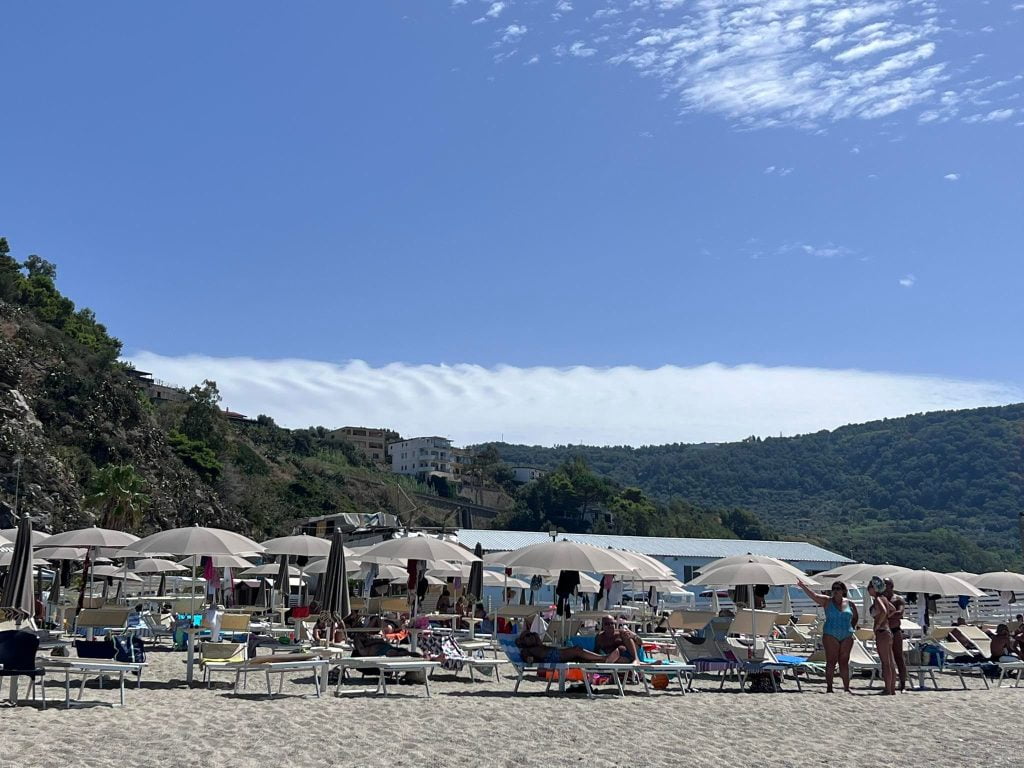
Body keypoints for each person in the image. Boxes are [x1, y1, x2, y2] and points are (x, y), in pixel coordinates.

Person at [799, 580, 858, 693]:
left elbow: (855, 617)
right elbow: (814, 596)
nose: (835, 591)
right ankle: (829, 688)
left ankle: (846, 687)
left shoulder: (850, 603)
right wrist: (803, 586)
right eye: (833, 588)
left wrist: (851, 628)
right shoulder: (827, 601)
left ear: (844, 591)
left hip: (847, 634)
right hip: (830, 634)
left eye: (838, 588)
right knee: (831, 661)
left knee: (844, 661)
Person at [514, 631, 623, 665]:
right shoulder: (527, 650)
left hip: (554, 654)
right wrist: (529, 659)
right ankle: (603, 658)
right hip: (552, 657)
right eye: (528, 636)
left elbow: (537, 639)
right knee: (577, 650)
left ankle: (605, 660)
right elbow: (527, 658)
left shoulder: (537, 645)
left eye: (532, 634)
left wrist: (534, 636)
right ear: (523, 640)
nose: (532, 636)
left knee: (580, 658)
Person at [867, 576, 898, 695]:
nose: (868, 590)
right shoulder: (884, 598)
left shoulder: (878, 599)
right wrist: (885, 619)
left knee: (885, 662)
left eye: (869, 588)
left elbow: (885, 611)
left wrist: (878, 623)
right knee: (890, 662)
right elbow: (893, 609)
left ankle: (888, 688)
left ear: (873, 588)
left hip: (882, 631)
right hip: (888, 631)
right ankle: (892, 689)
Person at [883, 578, 908, 691]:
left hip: (894, 629)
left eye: (886, 585)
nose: (885, 587)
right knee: (885, 659)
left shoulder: (898, 599)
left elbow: (900, 613)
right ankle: (888, 684)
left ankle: (902, 683)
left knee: (898, 657)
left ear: (891, 586)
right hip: (884, 630)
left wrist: (887, 615)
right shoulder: (880, 598)